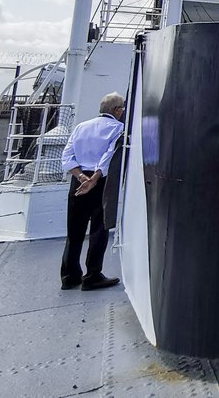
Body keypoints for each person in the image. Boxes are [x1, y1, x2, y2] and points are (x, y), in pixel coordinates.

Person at [59, 91, 126, 290]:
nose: (122, 111)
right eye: (121, 108)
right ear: (116, 110)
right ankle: (92, 275)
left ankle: (69, 276)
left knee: (74, 230)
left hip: (77, 181)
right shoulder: (118, 128)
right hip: (100, 183)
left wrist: (81, 177)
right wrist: (94, 179)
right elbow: (108, 155)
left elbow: (67, 156)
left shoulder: (81, 127)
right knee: (99, 229)